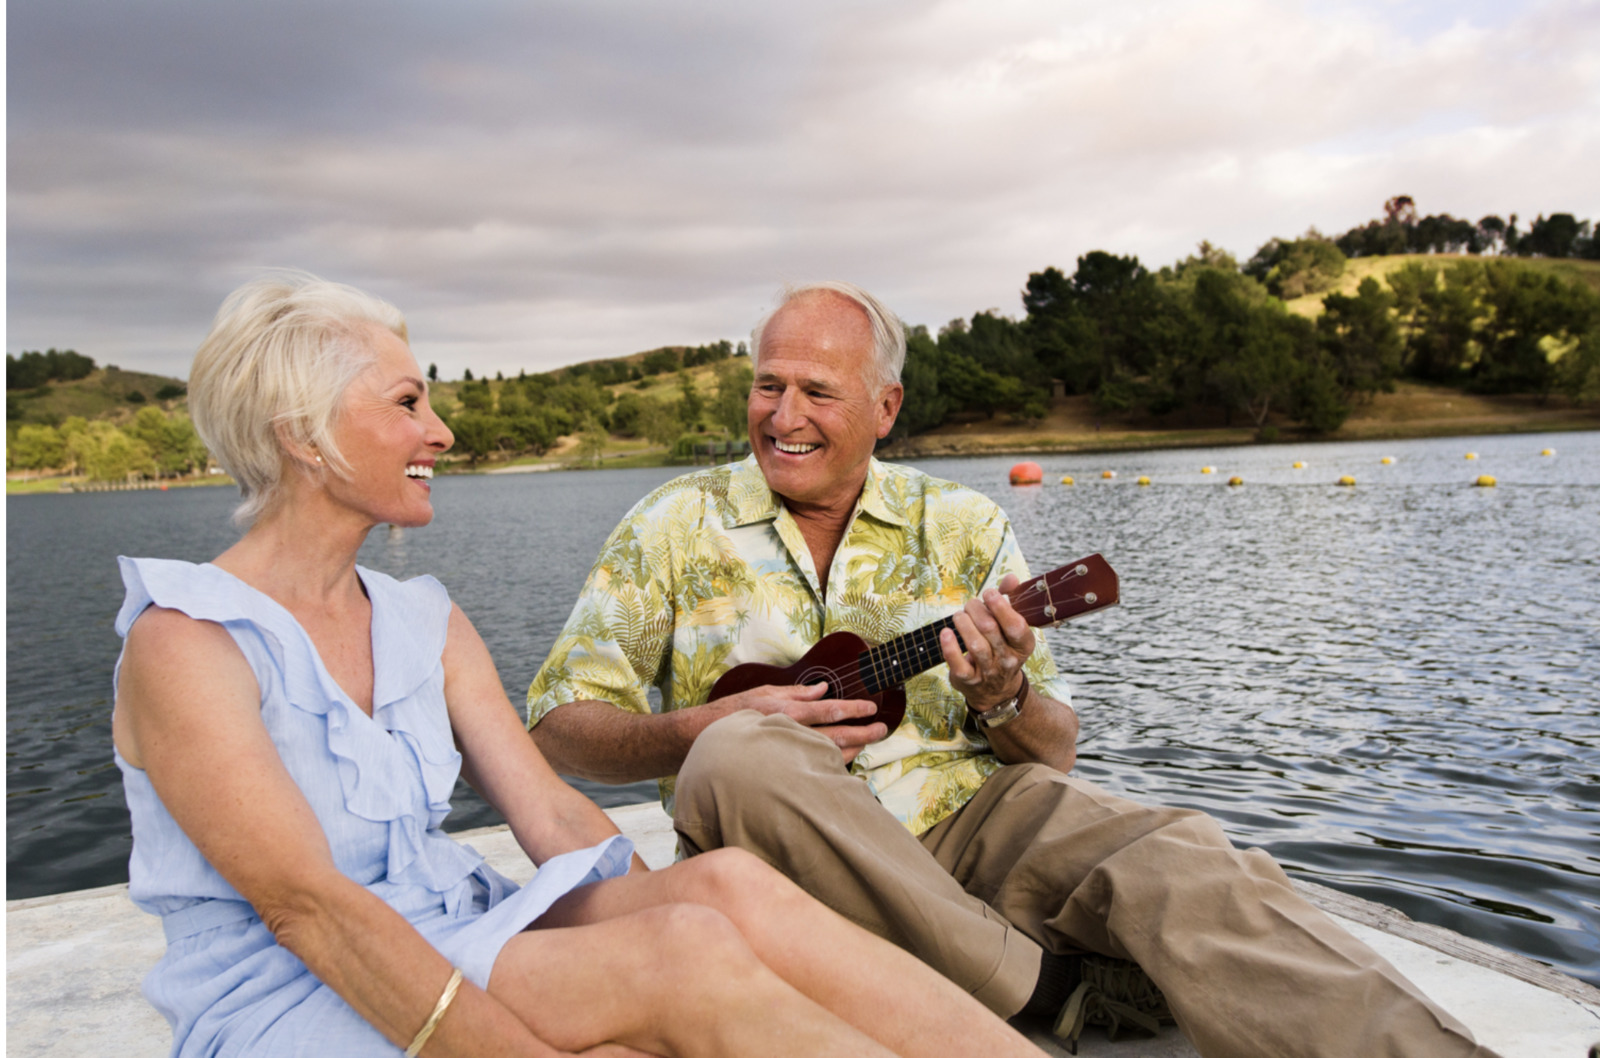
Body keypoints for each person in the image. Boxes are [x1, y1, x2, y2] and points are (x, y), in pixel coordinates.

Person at [527, 280, 1500, 1058]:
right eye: (767, 384)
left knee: (1182, 850)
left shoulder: (964, 524)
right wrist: (685, 731)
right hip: (774, 852)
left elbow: (1054, 749)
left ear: (885, 405)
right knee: (739, 754)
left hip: (964, 820)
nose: (782, 414)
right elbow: (560, 719)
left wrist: (1003, 692)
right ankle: (1044, 988)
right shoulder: (671, 523)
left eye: (816, 391)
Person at [112, 272, 1048, 1058]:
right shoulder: (187, 643)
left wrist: (673, 916)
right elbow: (306, 912)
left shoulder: (421, 619)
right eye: (407, 404)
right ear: (302, 435)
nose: (442, 433)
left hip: (449, 929)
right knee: (683, 964)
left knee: (722, 895)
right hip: (292, 989)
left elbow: (551, 809)